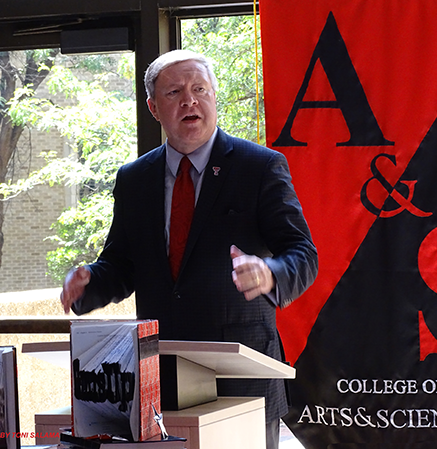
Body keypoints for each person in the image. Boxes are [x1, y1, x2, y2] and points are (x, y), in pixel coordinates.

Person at [60, 49, 318, 449]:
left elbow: (303, 254)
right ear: (153, 108)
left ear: (214, 96)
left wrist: (270, 272)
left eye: (200, 89)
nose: (189, 100)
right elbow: (122, 264)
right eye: (174, 92)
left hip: (241, 380)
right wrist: (89, 281)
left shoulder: (259, 166)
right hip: (159, 380)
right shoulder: (134, 179)